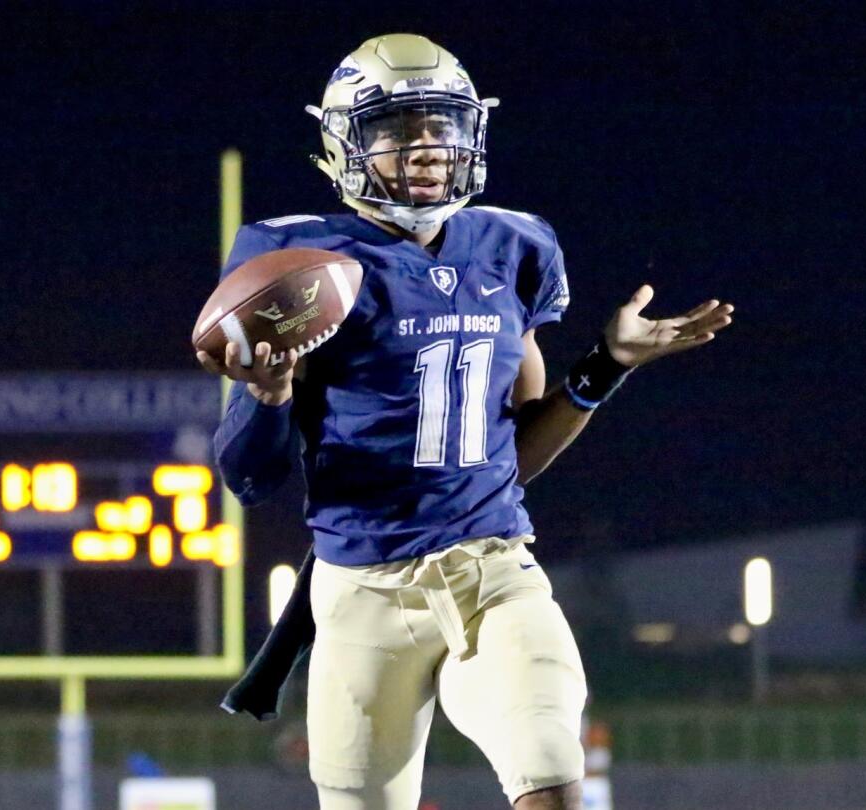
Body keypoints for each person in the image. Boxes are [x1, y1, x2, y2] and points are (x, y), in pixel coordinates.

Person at [200, 34, 734, 810]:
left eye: (442, 124)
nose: (426, 146)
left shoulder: (511, 245)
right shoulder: (297, 258)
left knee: (549, 766)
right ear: (345, 142)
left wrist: (608, 364)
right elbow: (249, 476)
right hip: (360, 587)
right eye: (397, 128)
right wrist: (272, 396)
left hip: (490, 569)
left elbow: (509, 456)